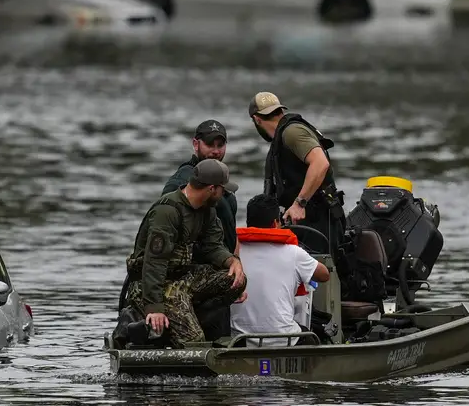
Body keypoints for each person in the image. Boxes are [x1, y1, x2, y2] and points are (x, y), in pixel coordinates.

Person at [123, 159, 247, 348]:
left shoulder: (207, 210)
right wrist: (154, 307)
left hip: (183, 280)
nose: (225, 194)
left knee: (235, 280)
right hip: (152, 286)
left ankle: (187, 317)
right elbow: (154, 263)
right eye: (223, 189)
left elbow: (213, 247)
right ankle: (162, 326)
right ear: (212, 189)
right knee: (194, 343)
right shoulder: (168, 211)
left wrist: (233, 261)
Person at [248, 91, 346, 253]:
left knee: (320, 272)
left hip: (319, 219)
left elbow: (320, 163)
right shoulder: (280, 139)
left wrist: (299, 203)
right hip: (304, 221)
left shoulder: (292, 132)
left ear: (256, 120)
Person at [230, 194, 330, 347]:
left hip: (240, 341)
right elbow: (324, 275)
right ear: (275, 222)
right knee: (316, 336)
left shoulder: (233, 253)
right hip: (284, 339)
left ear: (248, 222)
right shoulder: (294, 253)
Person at [162, 119, 239, 257]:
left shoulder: (222, 181)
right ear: (196, 144)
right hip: (197, 267)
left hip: (224, 261)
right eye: (210, 145)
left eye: (220, 145)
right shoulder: (182, 180)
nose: (216, 151)